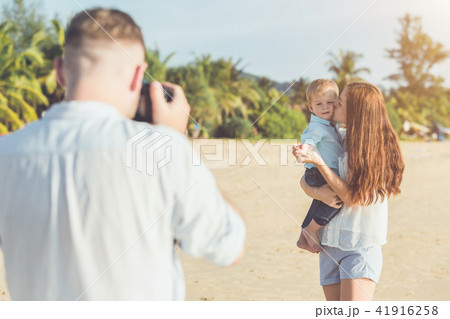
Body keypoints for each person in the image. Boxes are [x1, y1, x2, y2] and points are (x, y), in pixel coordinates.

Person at [0, 8, 245, 300]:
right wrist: (176, 141)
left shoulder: (7, 154)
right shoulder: (166, 150)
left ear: (60, 72)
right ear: (138, 75)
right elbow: (230, 247)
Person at [293, 82, 404, 301]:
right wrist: (316, 192)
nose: (333, 106)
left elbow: (352, 198)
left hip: (359, 246)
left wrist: (318, 161)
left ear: (355, 111)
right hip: (329, 243)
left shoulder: (376, 151)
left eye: (339, 102)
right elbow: (306, 181)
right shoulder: (338, 138)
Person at [295, 79, 344, 254]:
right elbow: (310, 140)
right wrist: (304, 150)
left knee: (320, 201)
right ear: (310, 108)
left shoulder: (333, 126)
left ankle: (303, 235)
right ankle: (312, 229)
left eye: (330, 103)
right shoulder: (317, 126)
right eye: (319, 104)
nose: (325, 107)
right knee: (337, 198)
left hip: (318, 172)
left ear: (337, 103)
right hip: (318, 172)